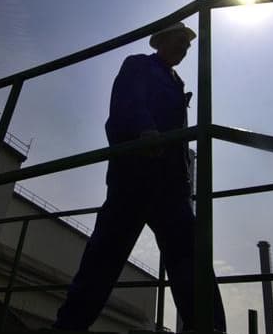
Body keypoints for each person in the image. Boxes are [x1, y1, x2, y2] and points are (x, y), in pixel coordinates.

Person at [54, 23, 227, 332]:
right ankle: (69, 326)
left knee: (189, 256)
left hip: (171, 184)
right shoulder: (138, 65)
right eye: (178, 41)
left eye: (187, 46)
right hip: (134, 173)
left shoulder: (177, 82)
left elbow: (180, 139)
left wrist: (185, 179)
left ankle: (209, 327)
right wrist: (145, 131)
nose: (184, 49)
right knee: (105, 256)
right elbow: (127, 102)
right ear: (160, 41)